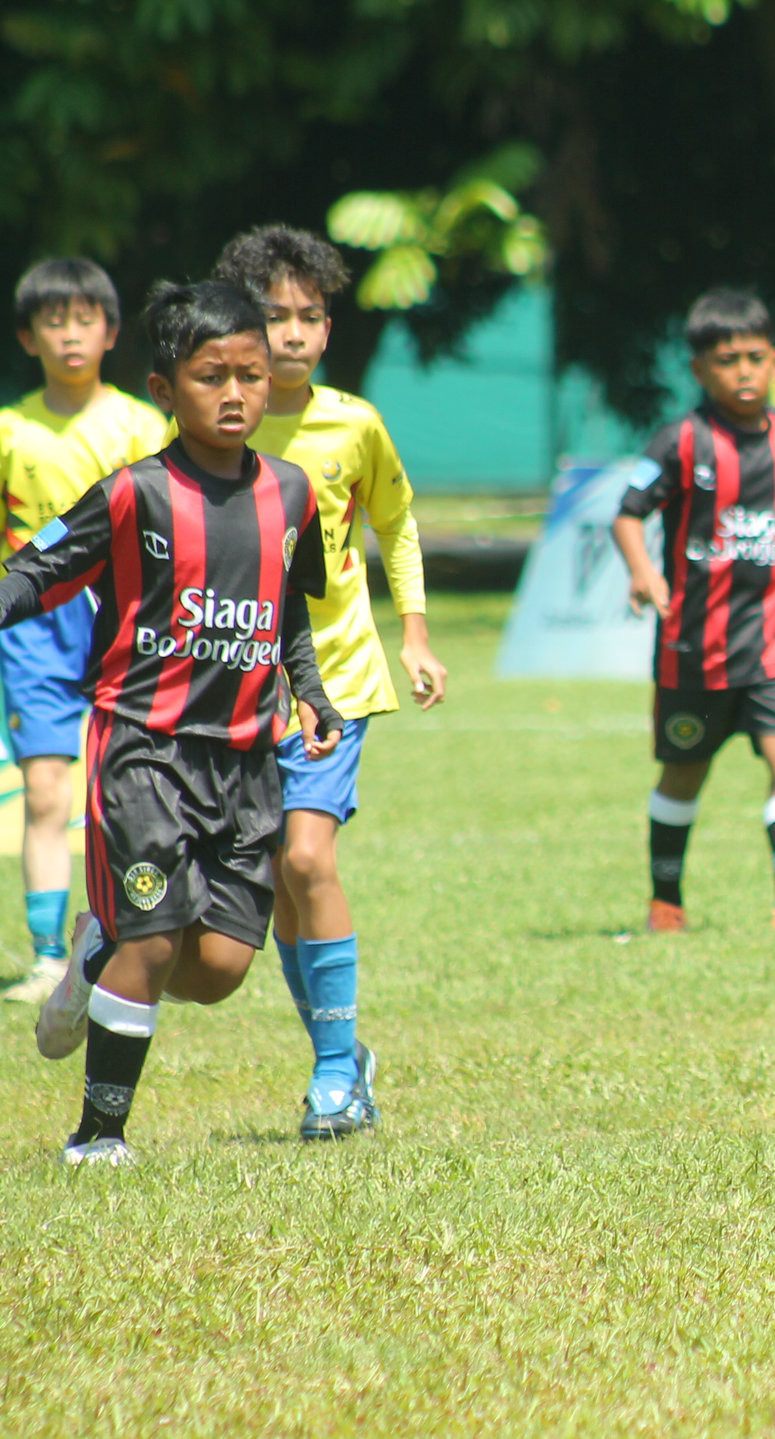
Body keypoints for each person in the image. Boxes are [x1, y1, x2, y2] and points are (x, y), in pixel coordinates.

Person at [10, 280, 342, 1167]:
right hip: (141, 749)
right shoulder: (134, 493)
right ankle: (98, 1136)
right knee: (156, 940)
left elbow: (291, 609)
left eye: (251, 374)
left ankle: (94, 951)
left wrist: (309, 691)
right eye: (210, 377)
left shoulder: (294, 493)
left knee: (222, 969)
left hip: (245, 760)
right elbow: (37, 570)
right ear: (164, 389)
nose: (235, 393)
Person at [208, 224, 449, 1140]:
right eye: (276, 317)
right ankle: (344, 1060)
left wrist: (415, 636)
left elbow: (401, 521)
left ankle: (334, 1072)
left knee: (310, 858)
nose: (296, 334)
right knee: (276, 879)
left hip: (335, 677)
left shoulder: (355, 423)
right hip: (233, 685)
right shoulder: (208, 424)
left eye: (312, 316)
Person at [612, 289, 775, 935]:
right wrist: (645, 574)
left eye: (756, 357)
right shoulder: (681, 441)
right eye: (728, 360)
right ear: (700, 369)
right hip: (695, 646)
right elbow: (628, 514)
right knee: (682, 774)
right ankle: (665, 900)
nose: (745, 371)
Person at [0, 260, 168, 1006]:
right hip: (34, 622)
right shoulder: (9, 428)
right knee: (43, 789)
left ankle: (115, 931)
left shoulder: (139, 424)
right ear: (27, 337)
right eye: (53, 321)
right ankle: (43, 954)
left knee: (119, 788)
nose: (70, 334)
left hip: (119, 614)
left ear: (111, 331)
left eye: (84, 319)